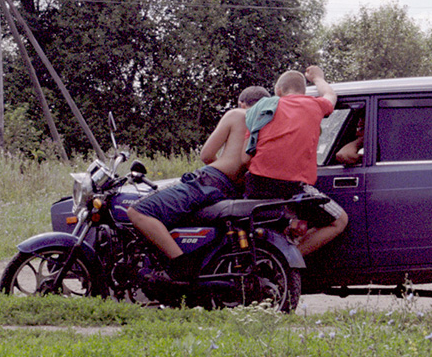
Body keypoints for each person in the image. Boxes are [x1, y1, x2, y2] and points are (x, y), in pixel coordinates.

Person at [127, 85, 266, 282]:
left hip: (210, 181)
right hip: (233, 189)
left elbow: (206, 154)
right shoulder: (267, 121)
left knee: (138, 211)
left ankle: (180, 265)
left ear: (242, 103)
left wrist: (220, 166)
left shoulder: (237, 114)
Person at [242, 64, 349, 258]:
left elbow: (246, 154)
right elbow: (330, 96)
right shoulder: (313, 104)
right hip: (291, 188)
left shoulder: (260, 110)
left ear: (278, 91)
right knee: (339, 220)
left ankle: (272, 258)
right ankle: (285, 259)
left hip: (256, 183)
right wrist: (317, 78)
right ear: (303, 90)